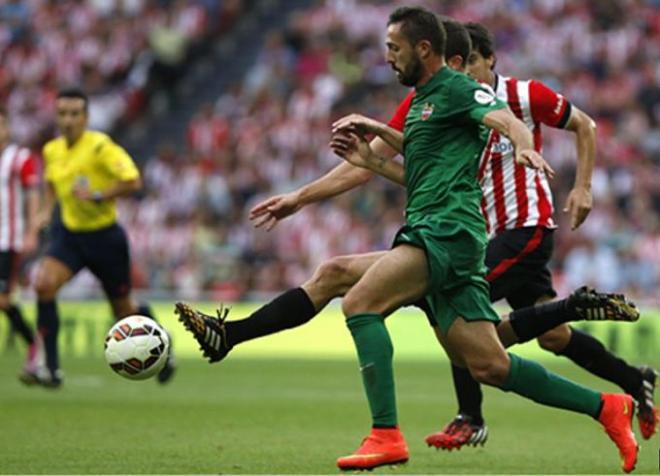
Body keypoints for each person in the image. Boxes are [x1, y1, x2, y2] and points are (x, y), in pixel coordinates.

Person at [177, 10, 637, 472]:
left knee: (360, 303)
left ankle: (385, 434)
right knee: (487, 364)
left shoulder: (457, 88)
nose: (387, 58)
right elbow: (405, 170)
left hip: (448, 234)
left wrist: (522, 142)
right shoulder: (418, 106)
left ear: (424, 49)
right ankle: (608, 407)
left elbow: (505, 117)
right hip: (434, 231)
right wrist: (306, 194)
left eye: (394, 48)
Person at [423, 21, 658, 449]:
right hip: (497, 233)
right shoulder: (461, 108)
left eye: (472, 61)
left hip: (525, 227)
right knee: (553, 335)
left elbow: (585, 126)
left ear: (490, 59)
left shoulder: (524, 94)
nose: (466, 71)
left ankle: (470, 417)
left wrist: (583, 186)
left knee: (457, 308)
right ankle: (634, 378)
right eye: (459, 64)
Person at [24, 88, 175, 387]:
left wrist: (98, 195)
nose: (68, 120)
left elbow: (132, 181)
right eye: (63, 114)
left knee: (123, 311)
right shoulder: (52, 150)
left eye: (74, 114)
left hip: (105, 238)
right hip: (69, 236)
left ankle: (162, 339)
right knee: (44, 285)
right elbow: (52, 185)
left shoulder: (100, 147)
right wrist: (44, 211)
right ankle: (50, 369)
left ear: (86, 117)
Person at [0, 108, 41, 377]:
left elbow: (33, 194)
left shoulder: (19, 158)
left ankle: (34, 345)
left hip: (9, 238)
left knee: (3, 299)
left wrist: (32, 231)